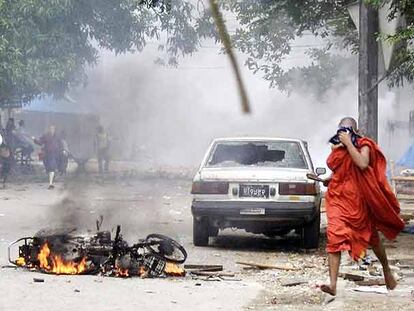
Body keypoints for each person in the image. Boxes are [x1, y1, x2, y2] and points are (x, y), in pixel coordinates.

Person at [319, 117, 405, 296]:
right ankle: (333, 284)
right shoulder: (337, 147)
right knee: (334, 238)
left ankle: (387, 270)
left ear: (355, 130)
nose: (343, 132)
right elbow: (340, 170)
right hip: (338, 198)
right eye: (341, 129)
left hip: (359, 200)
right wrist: (331, 178)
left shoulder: (363, 144)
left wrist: (350, 144)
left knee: (372, 238)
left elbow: (362, 164)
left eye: (347, 129)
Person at [34, 125, 63, 189]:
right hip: (47, 154)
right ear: (49, 129)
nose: (52, 129)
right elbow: (40, 142)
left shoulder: (57, 136)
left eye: (53, 128)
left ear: (55, 129)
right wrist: (34, 139)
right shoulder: (46, 136)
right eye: (51, 128)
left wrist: (62, 151)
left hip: (54, 154)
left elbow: (60, 144)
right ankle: (51, 179)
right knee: (48, 168)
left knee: (52, 168)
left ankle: (50, 184)